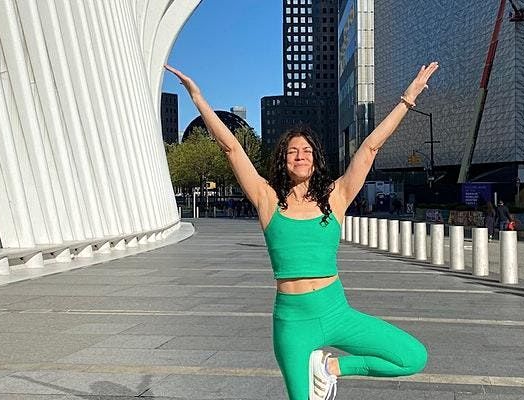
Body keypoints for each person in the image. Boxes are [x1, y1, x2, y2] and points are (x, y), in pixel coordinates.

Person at [166, 62, 438, 400]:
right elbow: (231, 148)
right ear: (283, 159)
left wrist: (407, 100)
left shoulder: (335, 197)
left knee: (412, 357)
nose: (300, 156)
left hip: (335, 310)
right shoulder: (267, 199)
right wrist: (198, 97)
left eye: (307, 151)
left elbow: (369, 148)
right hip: (293, 322)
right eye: (293, 151)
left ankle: (330, 368)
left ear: (315, 159)